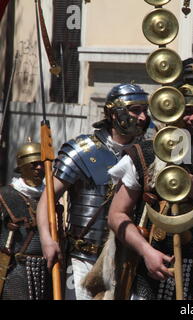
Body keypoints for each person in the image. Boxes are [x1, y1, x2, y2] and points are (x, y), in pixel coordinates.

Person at [83, 68, 193, 299]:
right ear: (173, 111)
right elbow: (117, 216)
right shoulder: (143, 155)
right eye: (189, 111)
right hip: (146, 273)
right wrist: (147, 252)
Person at [36, 83, 150, 300]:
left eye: (145, 110)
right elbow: (47, 200)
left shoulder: (146, 153)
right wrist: (46, 239)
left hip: (128, 261)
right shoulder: (81, 150)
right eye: (136, 110)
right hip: (84, 259)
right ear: (114, 113)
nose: (143, 117)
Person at [0, 139, 50, 300]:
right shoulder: (5, 196)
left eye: (42, 163)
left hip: (44, 274)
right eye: (34, 164)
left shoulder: (50, 197)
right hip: (14, 271)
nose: (39, 168)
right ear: (22, 166)